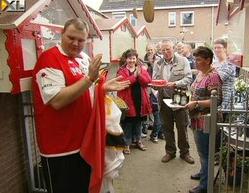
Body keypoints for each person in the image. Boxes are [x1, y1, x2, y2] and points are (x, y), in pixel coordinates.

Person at [32, 18, 129, 193]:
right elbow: (57, 101)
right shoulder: (49, 59)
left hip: (85, 142)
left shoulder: (84, 58)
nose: (76, 44)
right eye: (71, 38)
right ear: (62, 34)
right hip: (60, 147)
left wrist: (103, 88)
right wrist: (90, 79)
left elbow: (87, 90)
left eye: (81, 40)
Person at [185, 46, 222, 193]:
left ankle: (205, 186)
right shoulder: (201, 73)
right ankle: (203, 173)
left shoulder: (213, 76)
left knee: (206, 153)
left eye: (198, 60)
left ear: (208, 60)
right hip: (196, 119)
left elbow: (217, 101)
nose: (195, 62)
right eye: (195, 59)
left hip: (206, 121)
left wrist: (197, 103)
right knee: (201, 152)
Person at [152, 39, 194, 164]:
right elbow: (154, 79)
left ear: (173, 48)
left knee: (182, 126)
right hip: (164, 98)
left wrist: (175, 84)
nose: (165, 52)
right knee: (167, 127)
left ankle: (185, 153)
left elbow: (189, 78)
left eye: (168, 49)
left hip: (179, 97)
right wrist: (154, 86)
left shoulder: (183, 60)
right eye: (163, 50)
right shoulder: (158, 63)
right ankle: (170, 152)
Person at [117, 49, 152, 154]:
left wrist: (140, 75)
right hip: (127, 101)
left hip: (140, 100)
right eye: (129, 58)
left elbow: (147, 82)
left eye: (133, 58)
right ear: (126, 59)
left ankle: (138, 141)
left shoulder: (141, 69)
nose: (131, 60)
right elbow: (122, 83)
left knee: (138, 122)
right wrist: (134, 76)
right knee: (127, 123)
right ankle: (126, 143)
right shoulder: (121, 71)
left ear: (136, 59)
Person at [213, 38, 236, 122]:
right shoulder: (215, 64)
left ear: (225, 49)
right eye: (215, 48)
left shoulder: (229, 63)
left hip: (225, 102)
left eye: (219, 47)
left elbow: (219, 78)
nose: (216, 50)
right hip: (216, 100)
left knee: (223, 127)